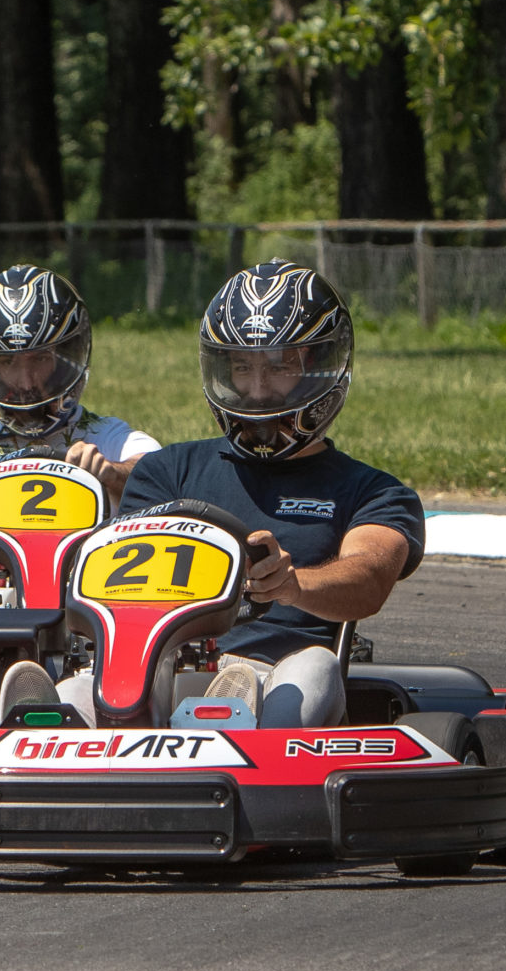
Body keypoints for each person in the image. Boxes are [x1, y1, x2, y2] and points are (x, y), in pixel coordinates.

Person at [103, 261, 424, 729]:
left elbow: (369, 578)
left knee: (315, 666)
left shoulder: (373, 492)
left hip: (280, 675)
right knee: (80, 685)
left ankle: (252, 743)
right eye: (241, 367)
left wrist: (292, 587)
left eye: (278, 367)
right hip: (165, 671)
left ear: (319, 369)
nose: (255, 390)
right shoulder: (166, 473)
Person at [0, 265, 160, 546]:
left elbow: (156, 474)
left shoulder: (109, 441)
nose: (26, 383)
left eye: (40, 359)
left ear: (67, 359)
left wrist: (112, 474)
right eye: (8, 362)